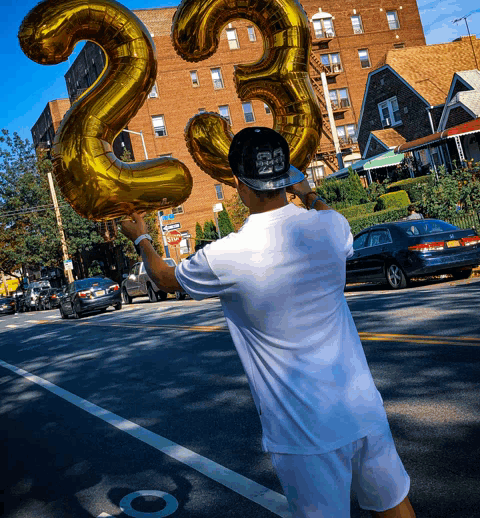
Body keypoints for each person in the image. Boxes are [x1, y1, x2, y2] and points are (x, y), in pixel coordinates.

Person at [120, 127, 415, 518]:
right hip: (363, 409)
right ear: (284, 177)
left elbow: (162, 278)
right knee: (394, 507)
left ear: (239, 184)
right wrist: (308, 192)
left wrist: (141, 237)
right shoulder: (330, 228)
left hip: (303, 432)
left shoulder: (225, 255)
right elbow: (326, 213)